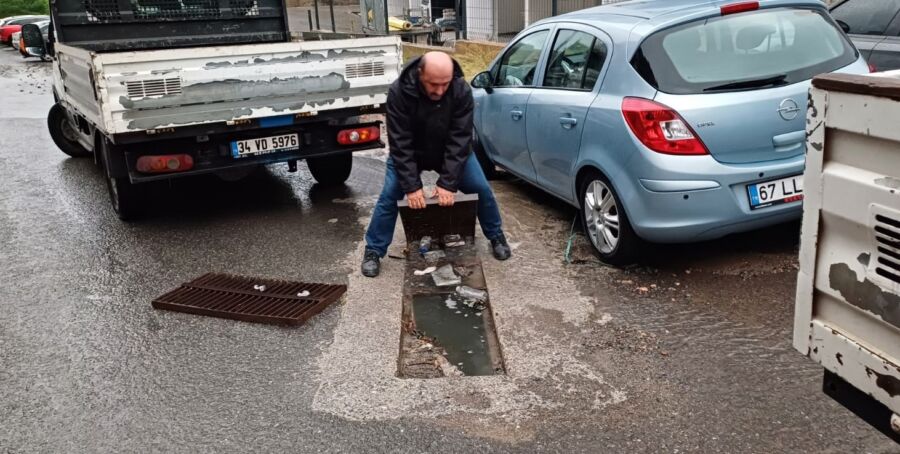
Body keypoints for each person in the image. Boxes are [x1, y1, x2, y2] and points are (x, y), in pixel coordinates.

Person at [361, 51, 511, 277]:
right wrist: (412, 187)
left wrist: (448, 183)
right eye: (433, 84)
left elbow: (460, 138)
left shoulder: (461, 90)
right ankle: (373, 249)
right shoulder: (398, 92)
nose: (440, 91)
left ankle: (496, 235)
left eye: (445, 84)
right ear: (420, 74)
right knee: (390, 195)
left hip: (449, 151)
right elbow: (400, 143)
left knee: (481, 188)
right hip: (411, 152)